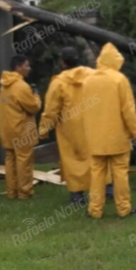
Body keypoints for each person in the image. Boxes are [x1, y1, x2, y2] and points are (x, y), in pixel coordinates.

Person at [83, 43, 136, 219]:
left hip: (95, 137)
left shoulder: (88, 80)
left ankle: (95, 210)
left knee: (96, 173)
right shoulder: (119, 80)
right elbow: (128, 110)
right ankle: (123, 208)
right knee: (120, 173)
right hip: (117, 136)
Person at [38, 47, 101, 205]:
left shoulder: (58, 82)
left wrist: (43, 130)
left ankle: (77, 196)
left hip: (70, 129)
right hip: (94, 124)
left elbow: (50, 109)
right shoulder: (93, 75)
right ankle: (106, 189)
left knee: (73, 160)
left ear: (63, 62)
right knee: (97, 157)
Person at [0, 55, 42, 200]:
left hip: (7, 129)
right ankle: (25, 192)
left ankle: (12, 192)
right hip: (22, 130)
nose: (29, 68)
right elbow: (33, 107)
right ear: (18, 67)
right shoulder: (21, 86)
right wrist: (36, 96)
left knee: (10, 160)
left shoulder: (4, 85)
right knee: (24, 161)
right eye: (26, 65)